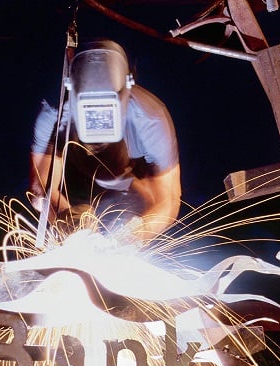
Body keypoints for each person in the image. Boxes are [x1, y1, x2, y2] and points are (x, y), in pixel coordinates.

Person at [28, 39, 181, 245]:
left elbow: (168, 200)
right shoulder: (53, 111)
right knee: (75, 226)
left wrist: (136, 234)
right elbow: (41, 186)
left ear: (127, 91)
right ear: (71, 92)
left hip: (133, 184)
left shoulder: (150, 118)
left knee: (125, 221)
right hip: (76, 183)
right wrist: (66, 217)